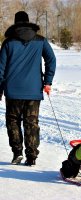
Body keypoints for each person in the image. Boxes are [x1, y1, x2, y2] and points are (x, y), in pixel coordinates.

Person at [0, 11, 56, 166]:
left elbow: (0, 69)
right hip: (33, 91)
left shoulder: (8, 42)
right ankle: (31, 156)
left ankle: (17, 153)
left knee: (13, 121)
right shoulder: (40, 40)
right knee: (31, 123)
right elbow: (51, 59)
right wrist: (48, 82)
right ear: (28, 22)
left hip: (13, 91)